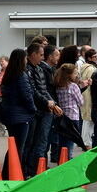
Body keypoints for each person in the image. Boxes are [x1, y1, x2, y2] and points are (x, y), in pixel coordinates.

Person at [24, 43, 62, 177]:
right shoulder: (28, 69)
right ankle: (32, 171)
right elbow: (34, 91)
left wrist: (53, 104)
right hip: (36, 111)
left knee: (41, 142)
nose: (42, 58)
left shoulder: (38, 68)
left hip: (44, 109)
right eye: (40, 55)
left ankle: (36, 170)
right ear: (33, 54)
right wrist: (48, 103)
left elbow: (43, 90)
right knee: (34, 143)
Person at [0, 48, 36, 179]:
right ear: (21, 60)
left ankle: (6, 173)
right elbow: (27, 95)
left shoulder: (8, 75)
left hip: (10, 115)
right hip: (21, 116)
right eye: (25, 58)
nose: (26, 61)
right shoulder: (21, 75)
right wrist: (33, 109)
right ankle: (15, 174)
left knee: (13, 146)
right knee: (19, 147)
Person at [53, 63, 83, 161]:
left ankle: (61, 162)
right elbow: (81, 102)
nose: (76, 75)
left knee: (62, 143)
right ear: (69, 75)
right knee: (70, 144)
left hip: (61, 117)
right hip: (73, 117)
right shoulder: (73, 86)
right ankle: (67, 164)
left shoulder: (57, 86)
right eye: (75, 73)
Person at [78, 47, 97, 148]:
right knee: (88, 119)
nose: (96, 58)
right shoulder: (90, 68)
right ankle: (86, 142)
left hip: (85, 95)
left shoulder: (85, 67)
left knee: (87, 118)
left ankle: (86, 141)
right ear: (89, 58)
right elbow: (92, 83)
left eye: (96, 56)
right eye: (94, 57)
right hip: (89, 95)